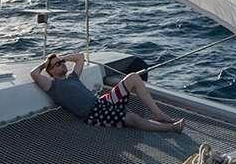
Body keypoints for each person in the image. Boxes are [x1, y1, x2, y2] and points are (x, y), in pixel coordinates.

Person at [31, 52, 184, 134]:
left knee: (133, 77)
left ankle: (158, 114)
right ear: (51, 71)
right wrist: (46, 63)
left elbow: (80, 57)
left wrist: (61, 57)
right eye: (57, 64)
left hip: (102, 101)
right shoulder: (52, 85)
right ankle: (172, 128)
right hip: (93, 114)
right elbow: (34, 73)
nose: (62, 64)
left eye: (62, 62)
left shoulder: (73, 77)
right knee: (133, 119)